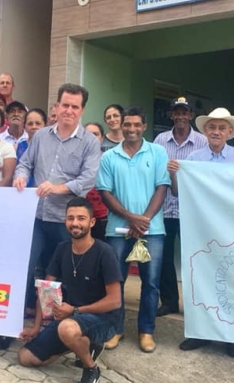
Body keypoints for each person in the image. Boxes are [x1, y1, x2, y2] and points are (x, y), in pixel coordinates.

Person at [18, 197, 122, 383]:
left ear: (91, 222)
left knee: (67, 328)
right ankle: (82, 344)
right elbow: (46, 289)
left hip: (104, 319)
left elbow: (114, 301)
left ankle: (91, 369)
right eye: (70, 218)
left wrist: (74, 311)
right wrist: (36, 327)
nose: (75, 223)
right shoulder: (62, 249)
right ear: (65, 221)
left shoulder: (104, 252)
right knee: (26, 357)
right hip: (71, 317)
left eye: (81, 218)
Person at [168, 107, 234, 359]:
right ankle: (200, 332)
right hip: (202, 231)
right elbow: (177, 192)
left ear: (229, 132)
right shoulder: (193, 158)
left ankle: (233, 336)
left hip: (231, 231)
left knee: (233, 281)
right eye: (212, 127)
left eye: (221, 128)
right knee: (201, 280)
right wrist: (174, 174)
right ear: (205, 131)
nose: (216, 131)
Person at [14, 83, 101, 317]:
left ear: (82, 110)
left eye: (75, 106)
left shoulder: (90, 143)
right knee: (26, 267)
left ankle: (57, 322)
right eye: (65, 105)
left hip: (66, 221)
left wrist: (57, 188)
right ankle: (15, 320)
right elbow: (25, 163)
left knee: (62, 274)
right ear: (57, 106)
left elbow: (87, 181)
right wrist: (21, 177)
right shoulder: (41, 136)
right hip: (37, 216)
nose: (69, 111)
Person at [97, 108, 170, 352]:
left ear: (144, 126)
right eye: (127, 124)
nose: (131, 129)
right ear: (122, 126)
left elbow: (162, 187)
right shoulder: (109, 157)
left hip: (153, 230)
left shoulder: (158, 152)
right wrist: (131, 218)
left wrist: (144, 220)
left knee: (150, 283)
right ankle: (115, 330)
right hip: (117, 230)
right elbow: (105, 192)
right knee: (115, 281)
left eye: (136, 125)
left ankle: (146, 331)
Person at [153, 97, 208, 317]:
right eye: (177, 112)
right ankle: (169, 302)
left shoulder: (202, 141)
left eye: (185, 112)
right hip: (164, 208)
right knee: (164, 258)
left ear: (191, 115)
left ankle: (195, 304)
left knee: (193, 257)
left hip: (191, 211)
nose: (181, 117)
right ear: (171, 115)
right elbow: (154, 171)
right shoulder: (160, 140)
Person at [84, 122, 108, 241]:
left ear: (102, 138)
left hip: (104, 216)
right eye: (88, 134)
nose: (92, 137)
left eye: (96, 134)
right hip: (82, 216)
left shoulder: (109, 159)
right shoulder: (75, 158)